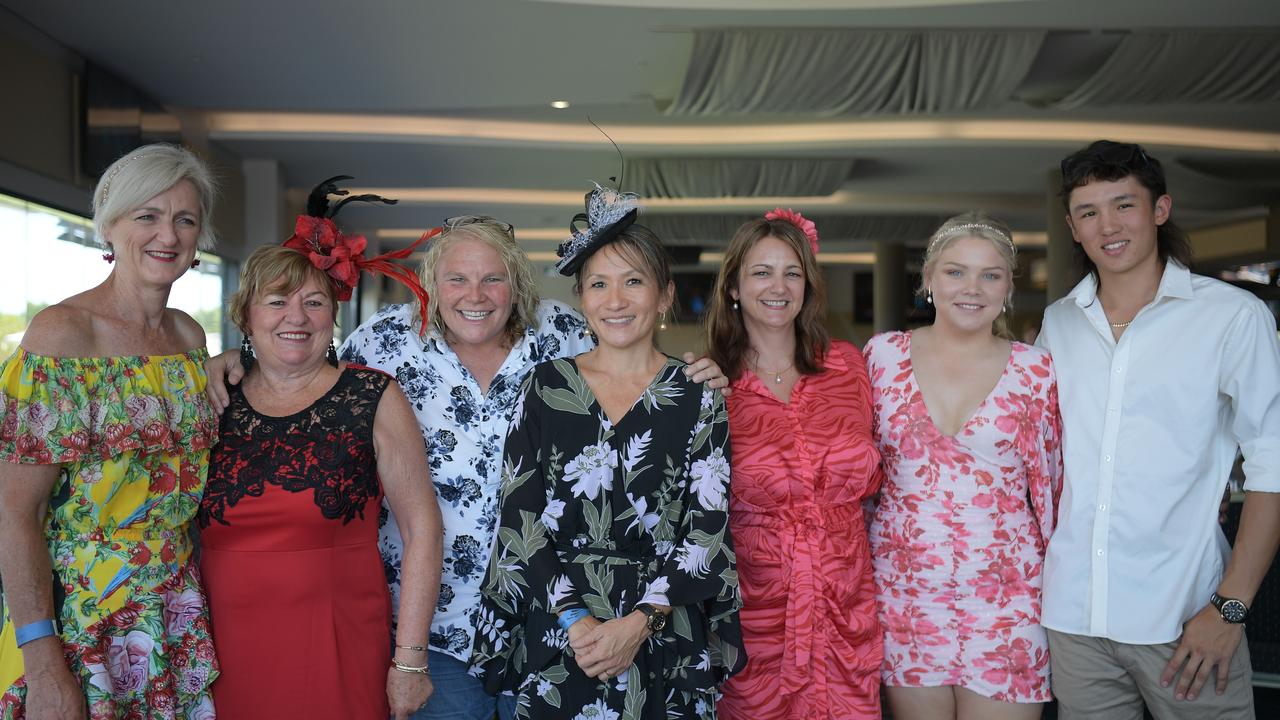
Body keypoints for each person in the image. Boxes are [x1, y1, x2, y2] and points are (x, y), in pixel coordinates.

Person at [205, 211, 729, 720]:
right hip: (434, 632)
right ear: (430, 283)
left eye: (492, 279)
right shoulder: (385, 342)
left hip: (554, 624)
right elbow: (303, 369)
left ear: (517, 285)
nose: (474, 295)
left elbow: (634, 360)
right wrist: (235, 360)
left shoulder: (563, 334)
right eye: (456, 278)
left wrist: (701, 375)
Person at [469, 185, 746, 719]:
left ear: (665, 295)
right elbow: (519, 516)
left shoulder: (698, 394)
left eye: (633, 282)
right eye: (599, 284)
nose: (615, 301)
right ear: (582, 298)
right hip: (562, 634)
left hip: (662, 634)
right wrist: (577, 621)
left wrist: (639, 622)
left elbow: (706, 530)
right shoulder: (546, 387)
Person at [1040, 140, 1280, 719]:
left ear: (1160, 211)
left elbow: (1273, 464)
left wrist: (1231, 608)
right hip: (1074, 618)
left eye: (1124, 205)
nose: (1108, 226)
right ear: (1073, 227)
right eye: (1089, 212)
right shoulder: (1058, 323)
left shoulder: (1230, 316)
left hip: (1188, 615)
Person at [195, 180, 442, 720]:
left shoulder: (372, 396)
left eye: (314, 302)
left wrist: (410, 662)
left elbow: (422, 529)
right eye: (277, 301)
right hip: (219, 648)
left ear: (333, 314)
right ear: (247, 315)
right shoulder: (210, 395)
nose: (296, 317)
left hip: (339, 640)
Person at [0, 144, 220, 719]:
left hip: (174, 613)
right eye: (146, 215)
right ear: (110, 225)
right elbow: (15, 512)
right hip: (79, 618)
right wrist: (42, 659)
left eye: (184, 219)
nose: (166, 234)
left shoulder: (189, 340)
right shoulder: (63, 337)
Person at [863, 212, 1061, 720]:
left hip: (1008, 595)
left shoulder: (1035, 368)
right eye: (955, 272)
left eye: (990, 274)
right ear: (928, 279)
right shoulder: (881, 356)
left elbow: (1052, 487)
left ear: (1008, 287)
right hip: (906, 593)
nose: (971, 287)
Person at [707, 209, 884, 719]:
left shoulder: (850, 366)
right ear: (735, 287)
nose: (778, 286)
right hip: (756, 609)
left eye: (792, 272)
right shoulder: (709, 384)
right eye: (761, 272)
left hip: (845, 601)